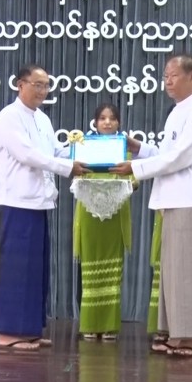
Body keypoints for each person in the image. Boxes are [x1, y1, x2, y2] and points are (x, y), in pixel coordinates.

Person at [111, 53, 192, 357]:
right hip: (174, 200)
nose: (167, 82)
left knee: (189, 272)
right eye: (165, 77)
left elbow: (181, 157)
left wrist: (135, 168)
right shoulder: (178, 112)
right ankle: (177, 333)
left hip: (191, 201)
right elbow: (167, 153)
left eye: (173, 76)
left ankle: (191, 338)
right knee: (173, 272)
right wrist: (140, 149)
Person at [0, 64, 90, 350]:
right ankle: (8, 333)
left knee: (34, 271)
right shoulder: (7, 118)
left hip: (38, 202)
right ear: (20, 84)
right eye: (37, 85)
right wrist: (68, 168)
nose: (43, 91)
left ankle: (29, 329)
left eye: (46, 86)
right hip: (14, 203)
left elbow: (53, 152)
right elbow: (28, 155)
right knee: (14, 270)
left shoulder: (42, 119)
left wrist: (86, 152)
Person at [72, 103, 136, 341]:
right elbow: (75, 175)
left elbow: (135, 179)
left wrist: (128, 183)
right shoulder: (84, 147)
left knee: (113, 271)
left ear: (119, 122)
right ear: (95, 122)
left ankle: (109, 326)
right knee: (90, 271)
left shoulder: (125, 151)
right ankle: (90, 324)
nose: (107, 122)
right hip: (89, 214)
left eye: (112, 118)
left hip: (115, 215)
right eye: (102, 118)